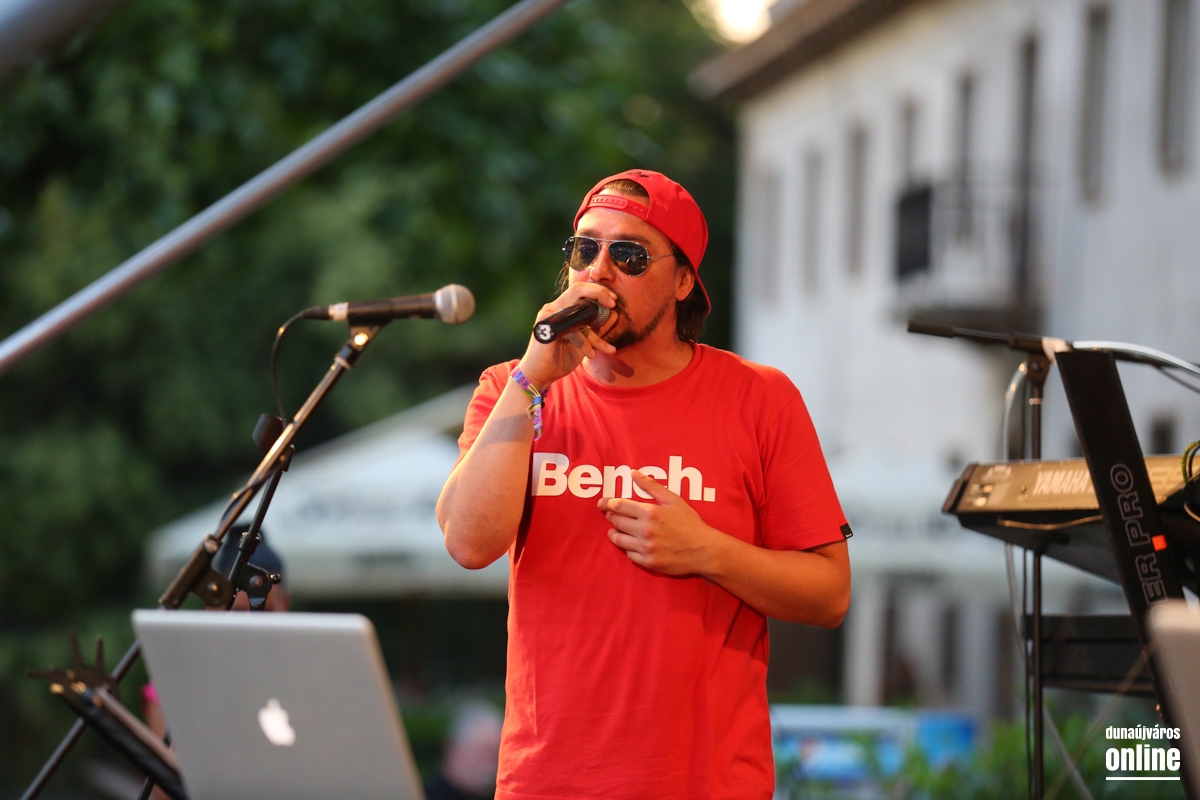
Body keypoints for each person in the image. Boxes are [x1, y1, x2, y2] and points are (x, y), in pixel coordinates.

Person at [436, 169, 851, 800]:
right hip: (548, 781)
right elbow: (469, 544)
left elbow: (830, 594)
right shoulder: (512, 388)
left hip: (704, 783)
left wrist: (706, 550)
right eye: (585, 249)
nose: (599, 271)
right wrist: (530, 379)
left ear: (683, 281)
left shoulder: (759, 398)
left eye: (628, 254)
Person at [423, 700, 505, 800]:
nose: (490, 765)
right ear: (454, 750)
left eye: (495, 755)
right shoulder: (420, 795)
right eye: (482, 753)